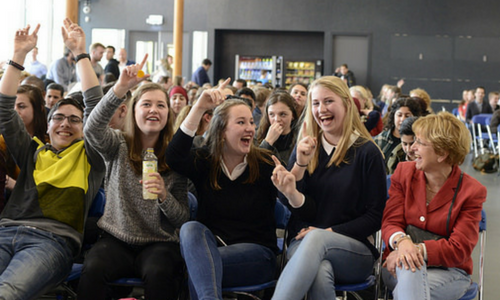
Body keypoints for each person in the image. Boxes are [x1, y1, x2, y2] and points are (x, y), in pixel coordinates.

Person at [76, 26, 189, 300]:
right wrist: (120, 88)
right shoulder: (118, 143)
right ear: (134, 111)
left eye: (161, 105)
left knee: (161, 273)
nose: (153, 110)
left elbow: (183, 217)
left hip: (159, 243)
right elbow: (91, 129)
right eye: (146, 104)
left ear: (168, 114)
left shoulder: (175, 156)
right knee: (92, 269)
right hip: (116, 237)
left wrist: (164, 196)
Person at [0, 21, 105, 299]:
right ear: (47, 126)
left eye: (75, 120)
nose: (65, 124)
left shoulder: (91, 158)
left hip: (51, 242)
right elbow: (3, 109)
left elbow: (97, 106)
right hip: (5, 232)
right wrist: (19, 56)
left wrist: (81, 53)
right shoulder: (33, 151)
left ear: (85, 128)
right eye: (58, 117)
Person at [271, 76, 387, 300]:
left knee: (316, 240)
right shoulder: (305, 147)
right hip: (303, 242)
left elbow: (375, 216)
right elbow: (300, 210)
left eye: (328, 101)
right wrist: (300, 166)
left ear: (346, 103)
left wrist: (326, 234)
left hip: (354, 249)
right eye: (315, 103)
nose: (321, 109)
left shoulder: (368, 153)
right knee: (320, 271)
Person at [165, 78, 279, 299]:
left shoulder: (265, 163)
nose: (250, 128)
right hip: (212, 249)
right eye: (241, 123)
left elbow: (296, 203)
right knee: (190, 229)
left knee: (196, 265)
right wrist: (199, 107)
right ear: (221, 130)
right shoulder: (206, 161)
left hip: (257, 255)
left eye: (251, 122)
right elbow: (174, 156)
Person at [382, 112, 486, 300]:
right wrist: (403, 243)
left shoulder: (471, 191)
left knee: (410, 280)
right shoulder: (404, 173)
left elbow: (459, 248)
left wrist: (414, 250)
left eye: (420, 143)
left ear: (442, 153)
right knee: (410, 274)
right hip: (397, 265)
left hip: (449, 273)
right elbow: (390, 221)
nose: (411, 149)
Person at [375, 97, 422, 173]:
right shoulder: (380, 140)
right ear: (393, 116)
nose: (402, 119)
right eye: (399, 115)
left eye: (407, 116)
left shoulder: (421, 142)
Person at [256, 91, 298, 166]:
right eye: (271, 114)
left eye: (282, 114)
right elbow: (254, 166)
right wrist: (267, 142)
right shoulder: (257, 136)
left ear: (292, 115)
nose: (277, 119)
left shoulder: (299, 138)